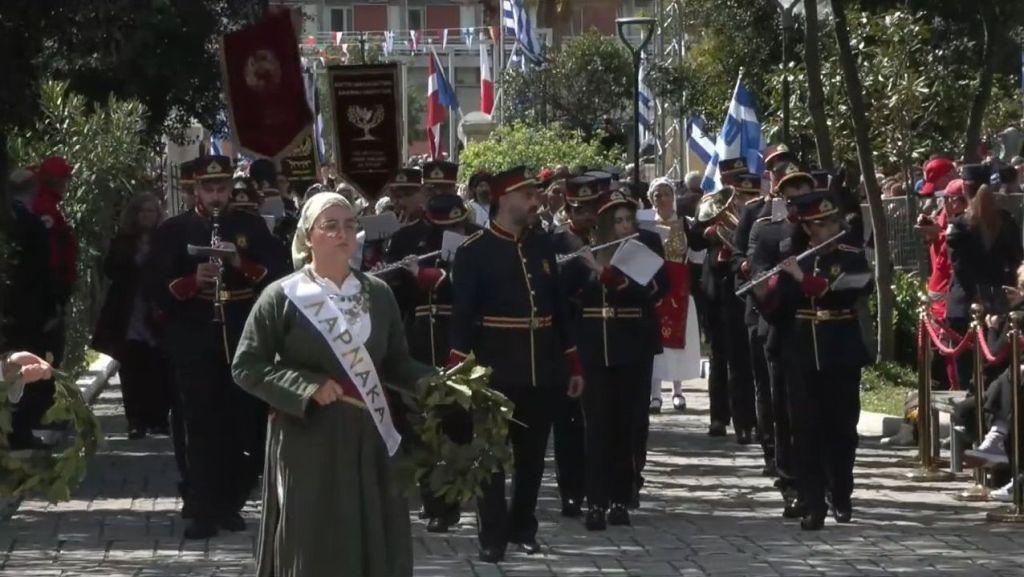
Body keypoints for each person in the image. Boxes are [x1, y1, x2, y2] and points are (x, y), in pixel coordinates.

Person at [231, 192, 434, 577]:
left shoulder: (378, 293)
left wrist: (438, 384)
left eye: (350, 225)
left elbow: (395, 362)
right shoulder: (282, 297)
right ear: (308, 236)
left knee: (371, 530)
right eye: (331, 226)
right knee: (313, 535)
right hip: (309, 439)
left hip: (369, 437)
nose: (344, 234)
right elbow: (246, 366)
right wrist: (305, 386)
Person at [146, 155, 289, 539]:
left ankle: (231, 500)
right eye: (208, 189)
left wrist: (240, 263)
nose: (215, 195)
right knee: (197, 423)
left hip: (241, 335)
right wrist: (193, 281)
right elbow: (155, 286)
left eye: (221, 188)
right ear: (195, 189)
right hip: (194, 338)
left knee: (243, 424)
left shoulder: (250, 225)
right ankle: (200, 505)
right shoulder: (175, 230)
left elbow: (278, 277)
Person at [448, 166, 584, 563]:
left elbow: (559, 310)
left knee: (532, 457)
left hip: (542, 365)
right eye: (527, 195)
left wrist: (572, 362)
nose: (535, 201)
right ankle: (492, 534)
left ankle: (523, 526)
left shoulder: (541, 247)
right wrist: (457, 372)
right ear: (504, 199)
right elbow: (462, 317)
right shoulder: (473, 251)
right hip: (495, 367)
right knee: (490, 455)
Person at [757, 189, 872, 530]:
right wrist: (766, 292)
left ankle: (841, 494)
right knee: (805, 429)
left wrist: (801, 278)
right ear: (807, 228)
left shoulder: (852, 254)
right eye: (822, 225)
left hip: (841, 350)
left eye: (833, 221)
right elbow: (779, 311)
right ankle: (812, 502)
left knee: (842, 428)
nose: (831, 229)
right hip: (802, 352)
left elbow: (846, 289)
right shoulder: (794, 258)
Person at [561, 190, 667, 530]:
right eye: (617, 221)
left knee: (627, 425)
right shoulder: (585, 254)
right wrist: (587, 271)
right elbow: (566, 297)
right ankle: (596, 501)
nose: (624, 227)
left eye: (628, 220)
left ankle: (622, 498)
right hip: (594, 348)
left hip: (631, 345)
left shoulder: (644, 250)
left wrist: (606, 274)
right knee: (596, 428)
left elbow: (651, 291)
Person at [403, 193, 481, 533]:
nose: (454, 229)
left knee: (460, 424)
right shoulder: (411, 239)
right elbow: (397, 295)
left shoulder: (475, 243)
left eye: (457, 223)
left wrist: (425, 275)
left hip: (460, 339)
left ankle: (457, 497)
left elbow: (466, 291)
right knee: (424, 425)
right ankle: (434, 503)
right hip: (422, 340)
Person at [92, 193, 171, 440]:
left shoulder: (165, 240)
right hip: (130, 310)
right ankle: (135, 420)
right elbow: (111, 269)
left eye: (152, 211)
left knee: (158, 365)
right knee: (132, 366)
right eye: (143, 211)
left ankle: (158, 418)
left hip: (157, 309)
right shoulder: (123, 241)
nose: (147, 216)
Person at [548, 174, 603, 520]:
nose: (586, 216)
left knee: (603, 421)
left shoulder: (607, 236)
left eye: (591, 209)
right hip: (571, 335)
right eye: (580, 209)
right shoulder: (556, 241)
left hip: (607, 337)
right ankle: (571, 491)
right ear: (569, 209)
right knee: (569, 421)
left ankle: (604, 488)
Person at [946, 165, 1024, 390]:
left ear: (964, 189)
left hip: (966, 306)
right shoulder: (1006, 221)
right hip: (1000, 304)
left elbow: (961, 269)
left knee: (967, 376)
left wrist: (978, 297)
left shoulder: (959, 226)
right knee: (997, 376)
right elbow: (1017, 260)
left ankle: (966, 421)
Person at [4, 168, 60, 449]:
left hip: (16, 310)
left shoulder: (17, 220)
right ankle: (19, 430)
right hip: (28, 312)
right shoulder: (27, 222)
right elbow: (43, 271)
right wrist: (52, 310)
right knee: (30, 370)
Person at [647, 177, 701, 413]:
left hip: (679, 288)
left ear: (674, 197)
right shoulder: (646, 226)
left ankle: (678, 391)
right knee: (656, 343)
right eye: (657, 194)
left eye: (666, 193)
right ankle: (655, 394)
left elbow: (697, 256)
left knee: (679, 341)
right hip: (655, 287)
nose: (662, 198)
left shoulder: (685, 224)